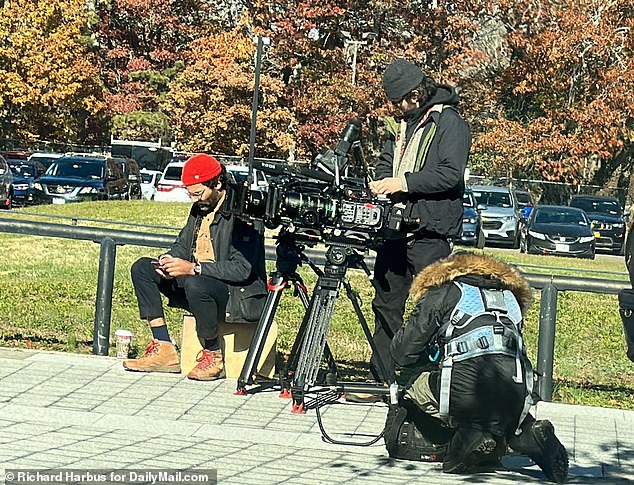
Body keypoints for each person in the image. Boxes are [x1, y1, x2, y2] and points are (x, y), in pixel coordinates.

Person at [388, 252, 569, 482]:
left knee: (412, 384)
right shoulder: (510, 298)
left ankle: (474, 433)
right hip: (517, 391)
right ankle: (530, 433)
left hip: (464, 390)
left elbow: (402, 351)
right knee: (500, 413)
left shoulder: (445, 291)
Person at [350, 59, 470, 401]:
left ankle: (424, 385)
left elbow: (450, 174)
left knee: (430, 311)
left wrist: (401, 182)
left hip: (430, 231)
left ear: (416, 95)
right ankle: (381, 380)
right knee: (386, 303)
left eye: (398, 102)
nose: (394, 109)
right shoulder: (401, 125)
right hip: (395, 228)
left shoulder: (450, 123)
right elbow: (387, 161)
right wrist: (382, 179)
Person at [123, 154, 267, 380]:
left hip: (233, 295)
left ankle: (213, 354)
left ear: (217, 183)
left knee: (195, 283)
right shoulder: (200, 207)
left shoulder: (244, 214)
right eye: (190, 194)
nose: (194, 199)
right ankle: (164, 347)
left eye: (198, 193)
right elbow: (183, 244)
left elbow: (242, 270)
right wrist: (168, 260)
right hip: (196, 283)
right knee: (142, 268)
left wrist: (193, 268)